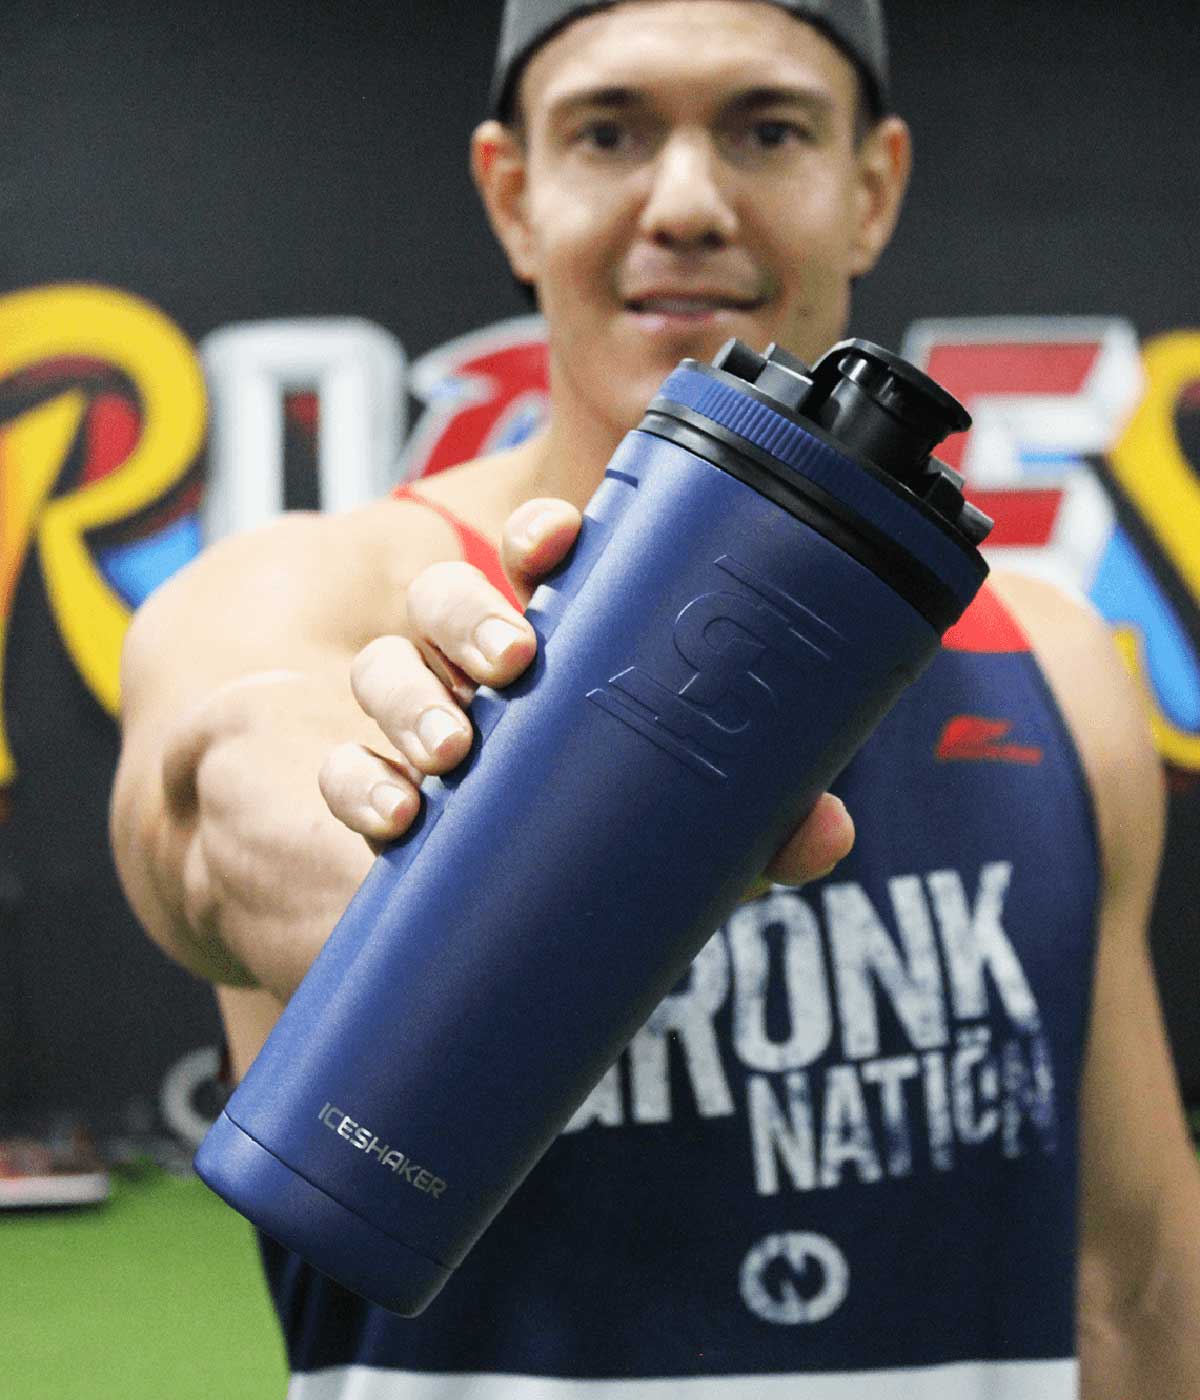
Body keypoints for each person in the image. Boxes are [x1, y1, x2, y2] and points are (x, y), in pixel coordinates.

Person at [111, 1, 1200, 1396]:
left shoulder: (1050, 670)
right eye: (611, 131)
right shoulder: (318, 594)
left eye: (769, 129)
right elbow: (214, 791)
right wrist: (382, 854)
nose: (686, 202)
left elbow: (1132, 1286)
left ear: (871, 190)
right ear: (514, 195)